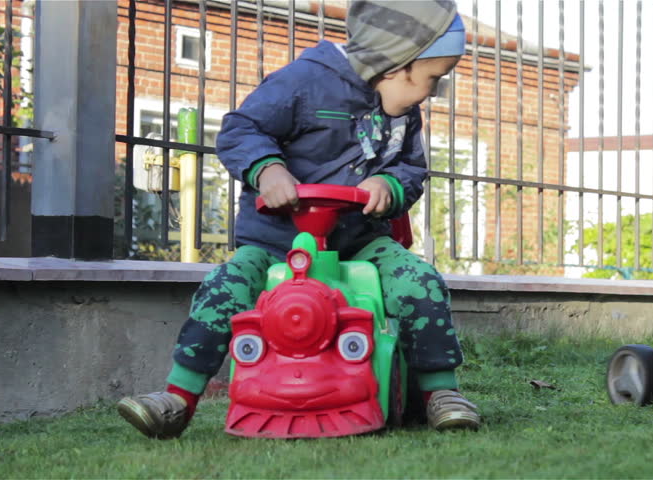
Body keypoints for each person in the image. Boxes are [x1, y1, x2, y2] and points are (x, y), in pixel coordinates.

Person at [117, 0, 480, 439]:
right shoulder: (305, 82)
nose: (431, 92)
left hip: (359, 238)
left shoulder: (403, 113)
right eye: (432, 80)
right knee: (225, 286)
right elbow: (241, 129)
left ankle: (440, 391)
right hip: (277, 238)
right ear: (395, 63)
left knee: (418, 281)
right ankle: (179, 396)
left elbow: (411, 167)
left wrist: (390, 184)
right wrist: (267, 169)